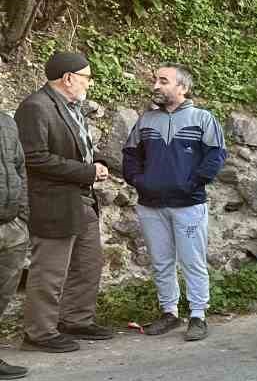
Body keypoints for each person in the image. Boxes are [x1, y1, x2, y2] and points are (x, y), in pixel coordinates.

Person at [14, 51, 113, 353]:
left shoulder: (72, 107)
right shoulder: (35, 107)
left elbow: (77, 147)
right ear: (68, 78)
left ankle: (76, 319)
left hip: (81, 198)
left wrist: (96, 162)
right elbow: (33, 157)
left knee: (88, 263)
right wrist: (86, 171)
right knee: (51, 269)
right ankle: (39, 332)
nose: (89, 83)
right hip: (53, 201)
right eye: (85, 77)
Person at [122, 65, 227, 342]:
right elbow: (130, 156)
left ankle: (198, 315)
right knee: (161, 261)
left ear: (183, 88)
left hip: (188, 204)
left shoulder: (203, 119)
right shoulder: (145, 120)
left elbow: (215, 156)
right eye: (155, 80)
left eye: (163, 81)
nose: (156, 85)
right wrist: (139, 181)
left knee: (192, 260)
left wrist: (191, 183)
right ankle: (169, 312)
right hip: (150, 204)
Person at [0, 109, 28, 378]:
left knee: (3, 294)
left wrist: (23, 215)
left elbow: (20, 168)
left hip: (12, 226)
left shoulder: (6, 121)